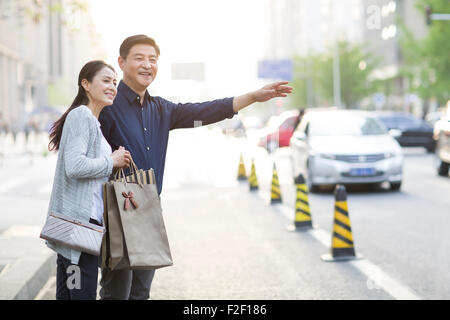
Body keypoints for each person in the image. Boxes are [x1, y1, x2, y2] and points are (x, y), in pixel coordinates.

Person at [98, 34, 292, 300]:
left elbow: (205, 111)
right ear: (121, 62)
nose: (147, 65)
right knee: (116, 291)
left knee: (141, 292)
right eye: (139, 58)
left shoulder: (160, 109)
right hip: (117, 209)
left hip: (149, 207)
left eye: (152, 60)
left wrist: (252, 97)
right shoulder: (106, 104)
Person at [44, 60, 132, 300]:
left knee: (69, 293)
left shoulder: (89, 119)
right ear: (86, 84)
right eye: (106, 80)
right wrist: (111, 161)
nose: (112, 86)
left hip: (76, 233)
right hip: (82, 231)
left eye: (114, 82)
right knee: (80, 293)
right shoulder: (82, 115)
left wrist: (112, 164)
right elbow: (75, 166)